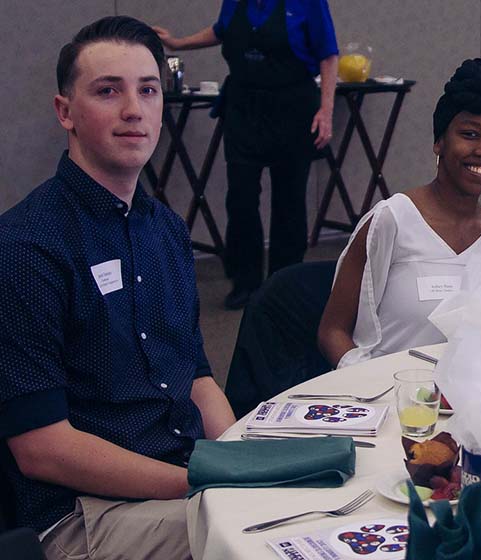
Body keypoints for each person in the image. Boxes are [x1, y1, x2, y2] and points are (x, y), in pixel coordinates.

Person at [0, 16, 236, 559]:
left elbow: (196, 376)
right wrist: (206, 484)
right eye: (109, 91)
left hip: (180, 477)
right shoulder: (27, 247)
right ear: (66, 112)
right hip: (83, 514)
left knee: (311, 509)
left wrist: (243, 461)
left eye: (147, 90)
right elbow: (44, 450)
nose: (134, 109)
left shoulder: (166, 228)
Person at [318, 58, 481, 368]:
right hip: (393, 399)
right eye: (470, 134)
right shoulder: (392, 220)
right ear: (439, 142)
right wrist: (368, 385)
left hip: (468, 402)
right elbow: (332, 331)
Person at [153, 0, 339, 309]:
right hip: (243, 108)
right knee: (240, 197)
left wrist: (327, 110)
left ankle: (284, 283)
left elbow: (328, 55)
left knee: (289, 200)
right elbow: (220, 30)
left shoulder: (309, 3)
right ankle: (245, 282)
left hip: (292, 107)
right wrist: (178, 43)